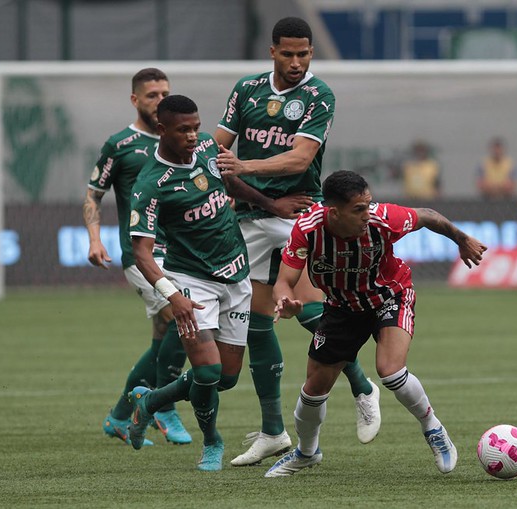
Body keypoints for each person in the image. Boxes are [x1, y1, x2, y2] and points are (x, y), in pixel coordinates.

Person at [214, 16, 381, 467]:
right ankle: (273, 430)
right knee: (256, 319)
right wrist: (210, 164)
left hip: (301, 212)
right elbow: (218, 147)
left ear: (311, 53)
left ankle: (363, 386)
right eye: (287, 53)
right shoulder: (246, 90)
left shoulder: (317, 95)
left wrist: (243, 166)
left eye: (303, 54)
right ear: (272, 51)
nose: (295, 62)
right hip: (249, 215)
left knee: (310, 308)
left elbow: (301, 157)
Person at [263, 170, 486, 477]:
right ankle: (307, 452)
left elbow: (428, 215)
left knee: (390, 370)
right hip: (342, 307)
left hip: (389, 295)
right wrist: (285, 301)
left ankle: (433, 428)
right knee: (313, 389)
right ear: (334, 212)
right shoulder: (308, 229)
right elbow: (283, 282)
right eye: (358, 209)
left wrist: (461, 239)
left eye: (368, 204)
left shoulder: (383, 219)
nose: (367, 214)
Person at [126, 95, 251, 471]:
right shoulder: (150, 184)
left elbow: (231, 185)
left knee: (225, 379)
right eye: (184, 129)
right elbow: (142, 254)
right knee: (208, 373)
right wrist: (171, 295)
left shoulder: (211, 147)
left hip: (237, 274)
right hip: (191, 281)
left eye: (196, 126)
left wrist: (273, 206)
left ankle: (149, 402)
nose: (194, 135)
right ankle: (212, 442)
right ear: (161, 130)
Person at [83, 68, 191, 446]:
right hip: (140, 254)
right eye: (152, 95)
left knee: (163, 339)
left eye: (165, 93)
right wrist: (95, 239)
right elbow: (94, 194)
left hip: (179, 253)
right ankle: (163, 405)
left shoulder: (180, 140)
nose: (160, 100)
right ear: (135, 100)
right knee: (184, 321)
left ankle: (117, 417)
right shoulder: (121, 144)